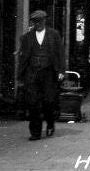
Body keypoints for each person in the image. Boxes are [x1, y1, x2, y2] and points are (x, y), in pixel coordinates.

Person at [17, 10, 65, 140]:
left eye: (40, 21)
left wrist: (61, 71)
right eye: (35, 22)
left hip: (48, 73)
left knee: (48, 101)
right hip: (32, 74)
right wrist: (20, 76)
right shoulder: (27, 37)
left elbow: (60, 53)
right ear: (32, 22)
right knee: (33, 103)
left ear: (45, 21)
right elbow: (23, 57)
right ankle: (35, 132)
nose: (37, 24)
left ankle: (50, 123)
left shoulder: (54, 35)